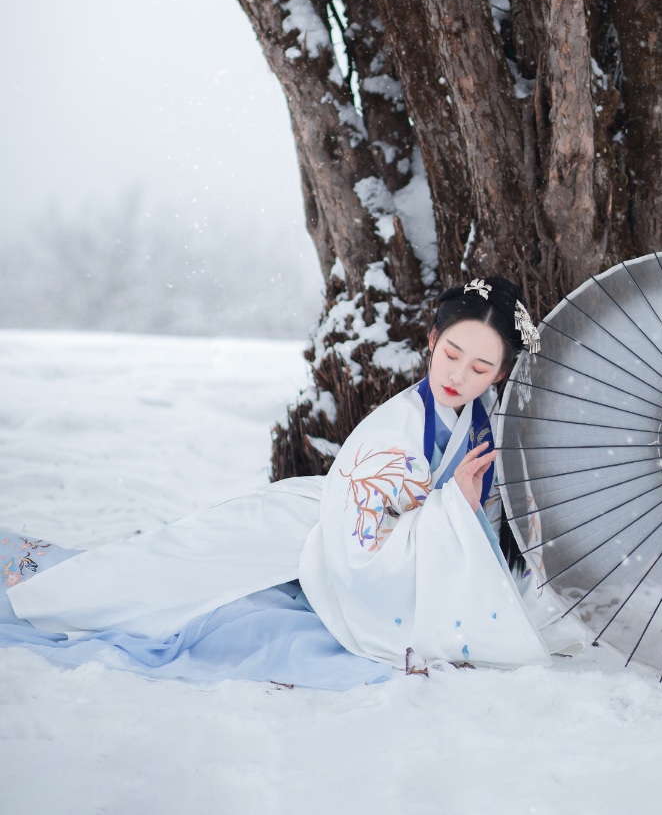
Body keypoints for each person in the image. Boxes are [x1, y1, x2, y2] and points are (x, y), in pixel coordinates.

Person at [2, 276, 585, 689]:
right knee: (156, 579)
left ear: (504, 372)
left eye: (481, 368)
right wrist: (452, 507)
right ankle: (42, 590)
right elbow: (363, 559)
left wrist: (461, 509)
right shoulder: (393, 433)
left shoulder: (485, 422)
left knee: (181, 581)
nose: (459, 375)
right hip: (308, 533)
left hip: (317, 524)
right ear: (431, 341)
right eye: (451, 354)